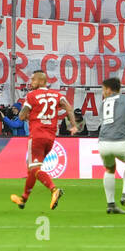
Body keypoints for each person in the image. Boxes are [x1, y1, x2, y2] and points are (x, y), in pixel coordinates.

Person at [12, 69, 78, 210]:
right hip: (50, 137)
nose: (31, 82)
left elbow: (22, 116)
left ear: (42, 81)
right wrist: (73, 126)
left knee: (34, 168)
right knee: (33, 169)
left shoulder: (31, 95)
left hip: (37, 135)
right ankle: (23, 198)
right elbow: (69, 108)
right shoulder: (57, 95)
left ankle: (54, 190)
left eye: (33, 80)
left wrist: (33, 117)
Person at [97, 77, 125, 214]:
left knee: (110, 169)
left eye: (103, 89)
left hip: (103, 143)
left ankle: (111, 204)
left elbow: (120, 118)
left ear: (109, 90)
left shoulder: (103, 103)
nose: (103, 92)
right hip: (120, 142)